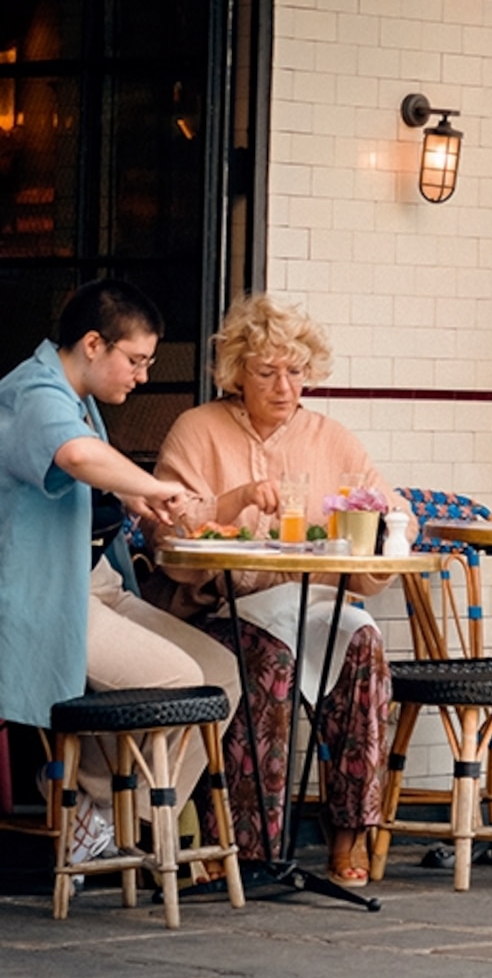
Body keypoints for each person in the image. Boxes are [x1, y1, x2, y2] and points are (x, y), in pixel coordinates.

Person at [148, 294, 395, 889]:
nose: (285, 386)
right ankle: (244, 841)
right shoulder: (197, 429)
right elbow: (167, 534)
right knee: (267, 659)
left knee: (364, 646)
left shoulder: (332, 439)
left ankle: (349, 831)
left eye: (296, 370)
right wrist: (229, 506)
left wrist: (377, 530)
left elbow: (381, 522)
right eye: (267, 372)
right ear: (237, 373)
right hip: (218, 610)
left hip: (311, 603)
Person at [0, 279, 238, 873]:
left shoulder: (75, 397)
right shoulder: (33, 389)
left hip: (95, 586)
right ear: (92, 344)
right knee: (177, 679)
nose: (143, 376)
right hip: (44, 593)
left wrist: (131, 499)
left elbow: (88, 465)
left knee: (221, 674)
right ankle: (99, 811)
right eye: (135, 360)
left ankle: (114, 822)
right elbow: (75, 456)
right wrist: (153, 485)